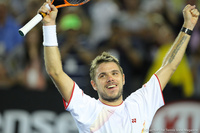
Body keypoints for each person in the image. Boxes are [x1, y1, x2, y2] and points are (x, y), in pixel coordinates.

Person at [38, 0, 199, 132]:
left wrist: (188, 26)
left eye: (114, 73)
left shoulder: (141, 103)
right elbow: (55, 72)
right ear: (93, 85)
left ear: (123, 79)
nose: (110, 78)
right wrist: (49, 25)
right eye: (102, 75)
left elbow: (169, 65)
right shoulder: (87, 109)